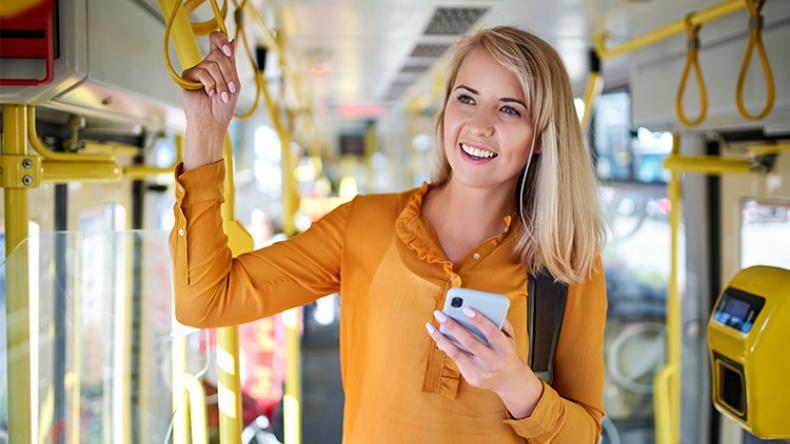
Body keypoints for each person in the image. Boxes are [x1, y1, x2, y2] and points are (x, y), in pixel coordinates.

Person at [171, 26, 607, 443]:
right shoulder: (364, 225)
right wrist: (205, 137)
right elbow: (206, 300)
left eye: (510, 108)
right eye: (466, 99)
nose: (479, 124)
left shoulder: (565, 262)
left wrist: (516, 385)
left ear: (542, 136)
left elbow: (584, 434)